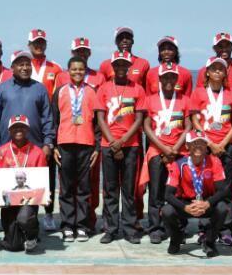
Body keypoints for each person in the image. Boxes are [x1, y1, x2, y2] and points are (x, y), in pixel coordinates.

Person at [95, 51, 147, 244]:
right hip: (108, 145)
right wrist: (112, 142)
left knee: (128, 189)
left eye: (124, 65)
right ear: (113, 67)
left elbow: (139, 119)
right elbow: (100, 117)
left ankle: (129, 228)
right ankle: (110, 229)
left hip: (131, 145)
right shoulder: (104, 88)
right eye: (117, 65)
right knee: (110, 189)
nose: (121, 68)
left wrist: (123, 141)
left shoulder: (137, 89)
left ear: (129, 67)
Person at [190, 56, 232, 245]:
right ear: (208, 72)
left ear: (226, 72)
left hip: (226, 147)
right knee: (204, 188)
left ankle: (225, 229)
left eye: (221, 68)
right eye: (214, 68)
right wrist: (209, 143)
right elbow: (195, 120)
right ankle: (205, 228)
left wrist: (223, 143)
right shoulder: (198, 93)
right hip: (205, 146)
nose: (218, 71)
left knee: (225, 188)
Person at [54, 37, 104, 233]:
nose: (77, 72)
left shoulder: (92, 92)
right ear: (68, 72)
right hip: (65, 143)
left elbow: (97, 122)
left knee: (84, 187)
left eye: (81, 70)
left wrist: (97, 147)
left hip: (86, 143)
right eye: (74, 69)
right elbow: (54, 119)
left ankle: (82, 225)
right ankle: (67, 224)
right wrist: (54, 145)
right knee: (66, 187)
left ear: (85, 71)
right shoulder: (59, 91)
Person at [139, 63, 191, 244]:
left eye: (172, 77)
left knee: (180, 191)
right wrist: (163, 148)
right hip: (157, 150)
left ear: (177, 79)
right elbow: (146, 126)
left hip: (179, 151)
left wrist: (175, 148)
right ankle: (156, 228)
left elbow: (188, 126)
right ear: (159, 80)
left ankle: (179, 227)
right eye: (165, 77)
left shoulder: (184, 99)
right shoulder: (150, 99)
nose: (169, 80)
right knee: (156, 191)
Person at [161, 131, 230, 258]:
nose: (198, 146)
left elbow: (223, 190)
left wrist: (207, 203)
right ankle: (176, 238)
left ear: (206, 146)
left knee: (223, 208)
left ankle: (209, 242)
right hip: (186, 203)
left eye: (202, 143)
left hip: (206, 202)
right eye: (194, 143)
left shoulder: (215, 161)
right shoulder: (178, 164)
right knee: (166, 210)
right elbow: (168, 194)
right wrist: (185, 207)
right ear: (187, 146)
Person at [0, 49, 55, 165]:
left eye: (28, 64)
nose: (25, 68)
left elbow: (48, 119)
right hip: (6, 151)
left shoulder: (40, 89)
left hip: (35, 151)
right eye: (21, 64)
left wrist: (48, 143)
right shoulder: (1, 89)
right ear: (12, 68)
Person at [0, 115, 48, 252]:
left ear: (27, 129)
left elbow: (42, 181)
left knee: (24, 218)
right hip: (8, 203)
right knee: (13, 246)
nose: (18, 130)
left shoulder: (38, 153)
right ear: (9, 131)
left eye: (22, 127)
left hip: (29, 201)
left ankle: (32, 236)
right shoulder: (0, 153)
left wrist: (46, 195)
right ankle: (15, 236)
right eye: (15, 127)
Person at [26, 29, 63, 231]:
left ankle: (48, 213)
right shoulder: (23, 64)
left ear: (46, 44)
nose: (38, 45)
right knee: (26, 168)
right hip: (25, 126)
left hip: (47, 126)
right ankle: (27, 210)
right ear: (29, 44)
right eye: (35, 42)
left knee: (48, 171)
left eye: (41, 42)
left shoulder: (55, 68)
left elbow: (57, 101)